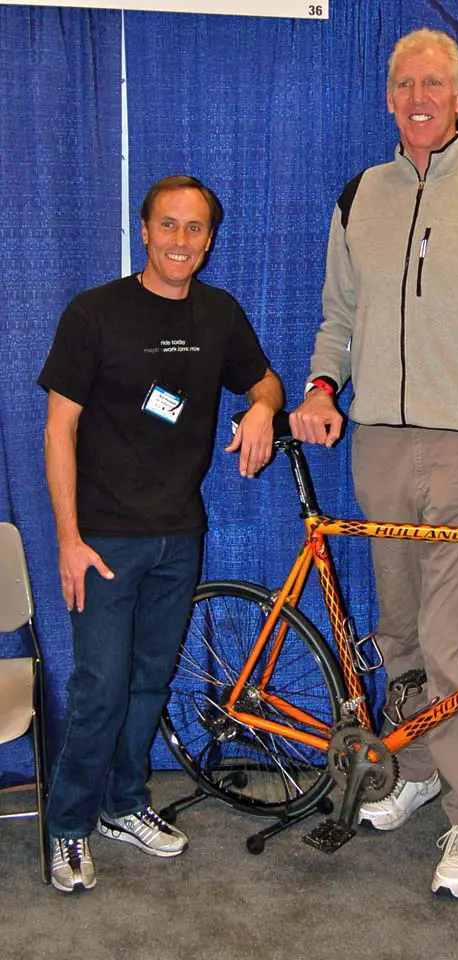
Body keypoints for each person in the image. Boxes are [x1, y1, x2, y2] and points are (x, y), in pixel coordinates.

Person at [290, 28, 458, 898]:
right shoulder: (358, 194)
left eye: (434, 82)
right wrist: (324, 387)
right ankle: (411, 770)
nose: (418, 96)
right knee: (398, 627)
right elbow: (338, 315)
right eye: (403, 82)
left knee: (451, 642)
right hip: (377, 441)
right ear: (388, 97)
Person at [38, 175, 284, 893]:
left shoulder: (220, 313)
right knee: (100, 689)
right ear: (144, 230)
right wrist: (68, 538)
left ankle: (123, 803)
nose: (181, 241)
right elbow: (59, 430)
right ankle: (69, 824)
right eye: (168, 225)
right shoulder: (94, 315)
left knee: (148, 682)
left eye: (195, 228)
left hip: (180, 533)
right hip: (104, 539)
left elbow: (265, 383)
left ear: (210, 239)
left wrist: (264, 409)